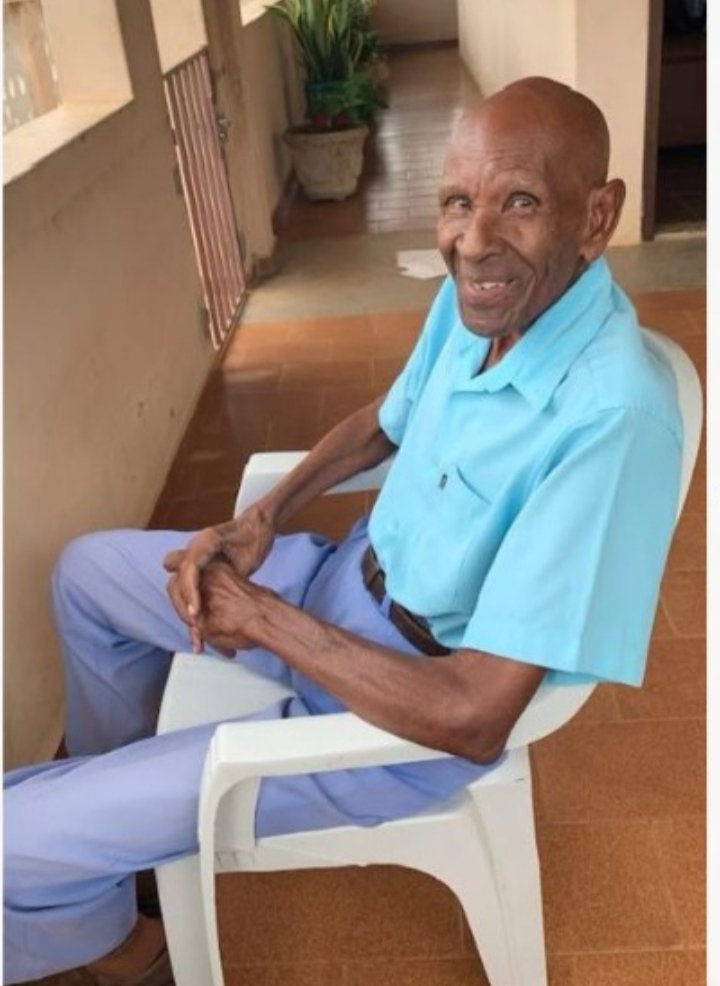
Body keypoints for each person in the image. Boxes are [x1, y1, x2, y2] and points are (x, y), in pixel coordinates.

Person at [4, 76, 682, 985]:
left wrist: (264, 619)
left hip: (403, 705)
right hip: (334, 580)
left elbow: (475, 716)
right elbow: (385, 422)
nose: (473, 240)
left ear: (597, 216)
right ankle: (116, 864)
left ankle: (123, 943)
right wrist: (261, 518)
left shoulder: (611, 418)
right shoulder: (485, 299)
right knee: (85, 576)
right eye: (457, 202)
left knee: (13, 841)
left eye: (520, 202)